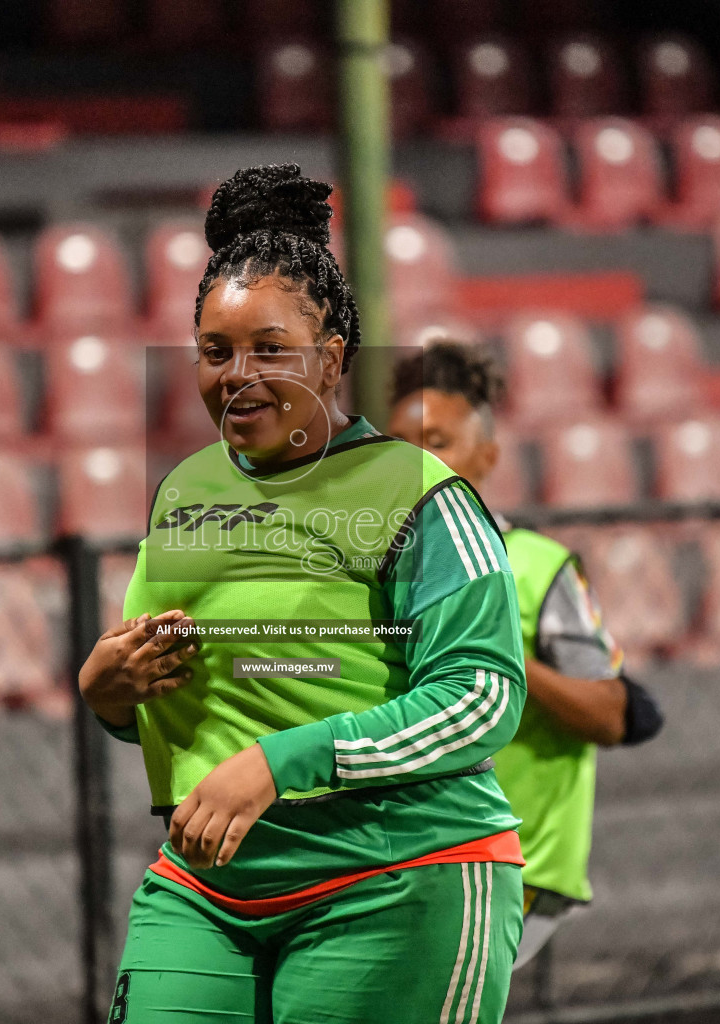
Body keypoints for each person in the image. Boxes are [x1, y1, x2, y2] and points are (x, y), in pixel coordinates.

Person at [78, 164, 530, 1023]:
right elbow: (170, 685)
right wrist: (109, 694)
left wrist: (282, 765)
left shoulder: (419, 492)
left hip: (398, 877)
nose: (237, 374)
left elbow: (481, 699)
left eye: (269, 350)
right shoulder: (185, 491)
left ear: (331, 359)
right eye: (215, 352)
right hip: (207, 887)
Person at [385, 342, 664, 972]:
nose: (416, 463)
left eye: (438, 441)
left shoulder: (537, 568)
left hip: (512, 865)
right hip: (406, 862)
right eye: (400, 447)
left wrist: (497, 652)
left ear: (488, 455)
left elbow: (614, 714)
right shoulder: (373, 574)